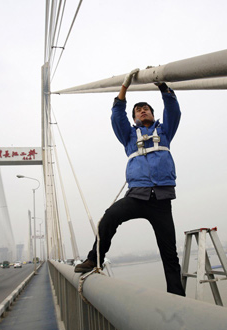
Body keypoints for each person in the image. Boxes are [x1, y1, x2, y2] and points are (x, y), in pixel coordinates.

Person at [75, 68, 186, 297]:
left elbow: (173, 110)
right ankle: (93, 259)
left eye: (146, 109)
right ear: (134, 118)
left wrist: (163, 86)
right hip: (137, 195)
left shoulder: (165, 132)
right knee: (109, 217)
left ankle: (177, 297)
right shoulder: (128, 136)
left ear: (153, 115)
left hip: (162, 199)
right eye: (138, 110)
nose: (142, 111)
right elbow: (117, 116)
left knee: (169, 252)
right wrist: (123, 88)